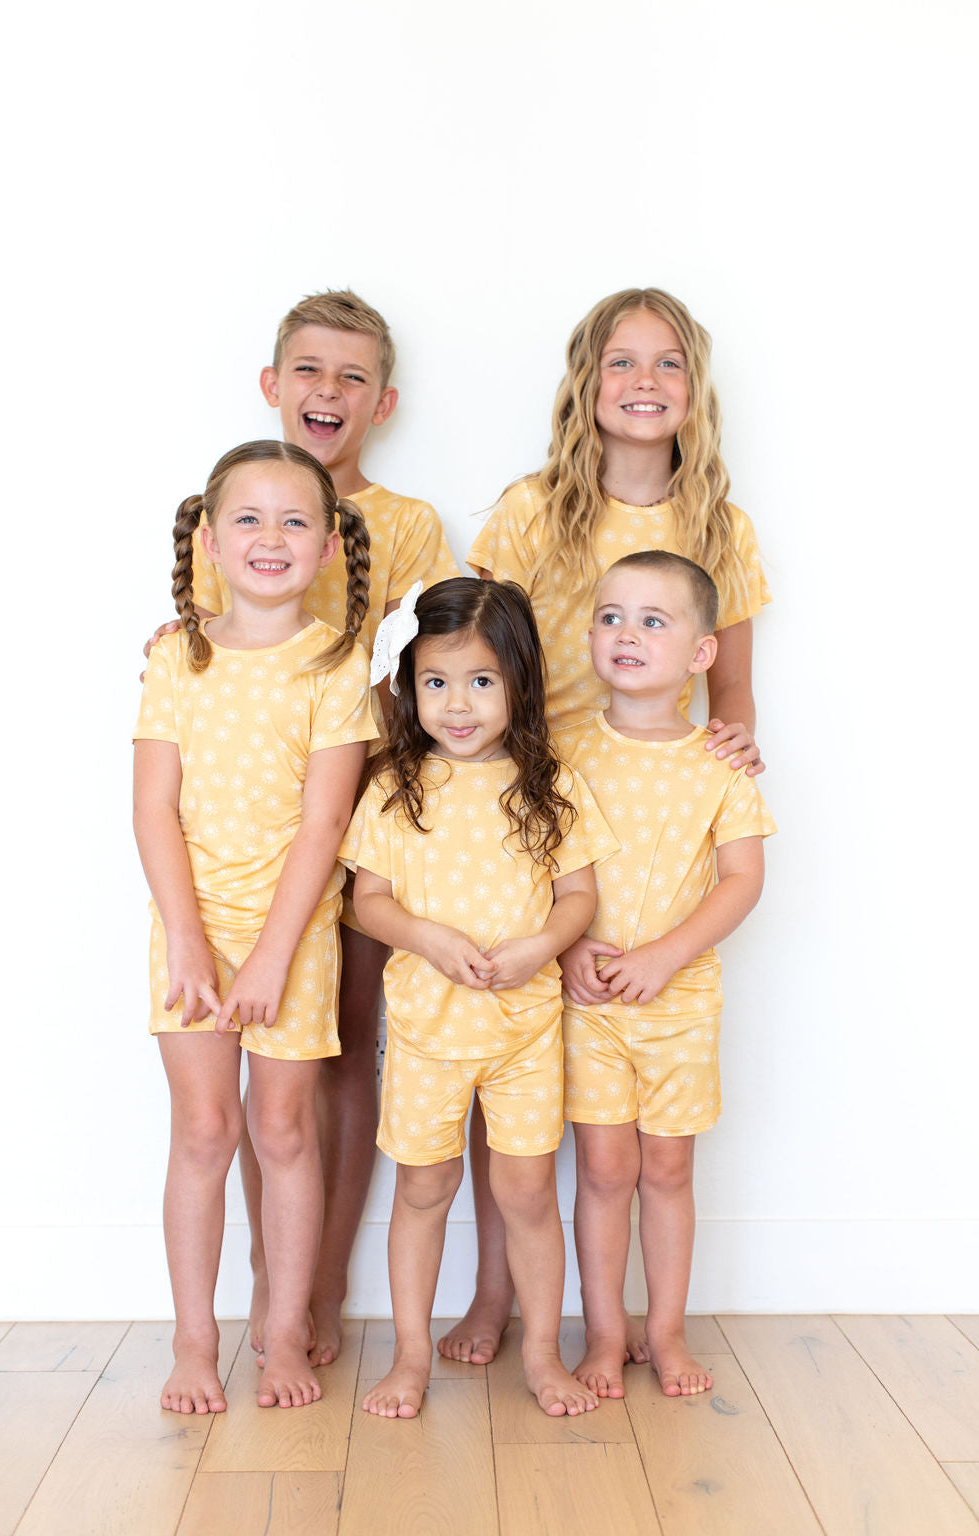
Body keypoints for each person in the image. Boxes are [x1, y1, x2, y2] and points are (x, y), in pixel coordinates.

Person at [444, 286, 772, 1367]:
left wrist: (732, 751)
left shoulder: (720, 526)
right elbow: (470, 643)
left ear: (694, 389)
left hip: (655, 828)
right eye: (620, 361)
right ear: (585, 384)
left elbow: (734, 690)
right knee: (512, 1079)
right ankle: (495, 1294)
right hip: (531, 812)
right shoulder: (535, 508)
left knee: (623, 1145)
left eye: (667, 362)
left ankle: (628, 1325)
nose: (643, 381)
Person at [152, 290, 460, 1368]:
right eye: (309, 371)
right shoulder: (237, 508)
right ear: (273, 386)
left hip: (362, 821)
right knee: (239, 1091)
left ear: (381, 401)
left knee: (336, 1052)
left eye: (351, 376)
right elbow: (200, 645)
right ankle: (267, 1286)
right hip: (241, 840)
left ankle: (315, 1286)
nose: (328, 391)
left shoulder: (406, 525)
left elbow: (436, 666)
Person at [133, 440, 376, 1414]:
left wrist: (274, 956)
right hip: (189, 931)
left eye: (294, 521)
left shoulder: (336, 663)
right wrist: (189, 939)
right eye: (247, 518)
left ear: (326, 546)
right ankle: (195, 1343)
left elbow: (326, 823)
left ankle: (282, 1334)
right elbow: (153, 810)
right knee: (203, 1131)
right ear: (208, 538)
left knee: (282, 1131)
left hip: (293, 936)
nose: (270, 537)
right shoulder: (174, 657)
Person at [340, 578, 618, 1419]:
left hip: (523, 1032)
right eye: (436, 681)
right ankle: (410, 1357)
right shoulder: (395, 787)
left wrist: (542, 945)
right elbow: (368, 900)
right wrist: (426, 938)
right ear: (410, 684)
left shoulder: (551, 785)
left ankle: (541, 1353)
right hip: (426, 1033)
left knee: (526, 1194)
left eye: (481, 681)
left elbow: (578, 896)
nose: (457, 704)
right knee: (424, 1191)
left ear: (518, 682)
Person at [557, 550, 775, 1398]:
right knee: (605, 1172)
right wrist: (568, 947)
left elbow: (743, 879)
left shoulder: (722, 761)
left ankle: (668, 1333)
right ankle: (605, 1335)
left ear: (700, 654)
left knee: (669, 1173)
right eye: (611, 617)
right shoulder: (565, 750)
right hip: (590, 1004)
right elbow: (533, 864)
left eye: (653, 621)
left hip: (681, 1007)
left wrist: (665, 954)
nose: (627, 634)